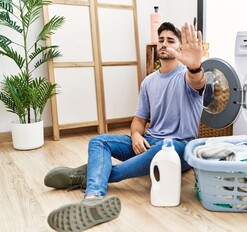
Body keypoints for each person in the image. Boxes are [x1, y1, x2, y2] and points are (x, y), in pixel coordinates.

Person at [45, 22, 206, 231]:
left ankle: (90, 176)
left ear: (180, 48)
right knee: (98, 141)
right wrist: (136, 136)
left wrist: (195, 67)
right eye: (161, 40)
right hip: (148, 143)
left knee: (167, 147)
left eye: (171, 41)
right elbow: (139, 121)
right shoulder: (149, 82)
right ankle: (93, 198)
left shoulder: (186, 76)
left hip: (178, 148)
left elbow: (198, 82)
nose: (164, 44)